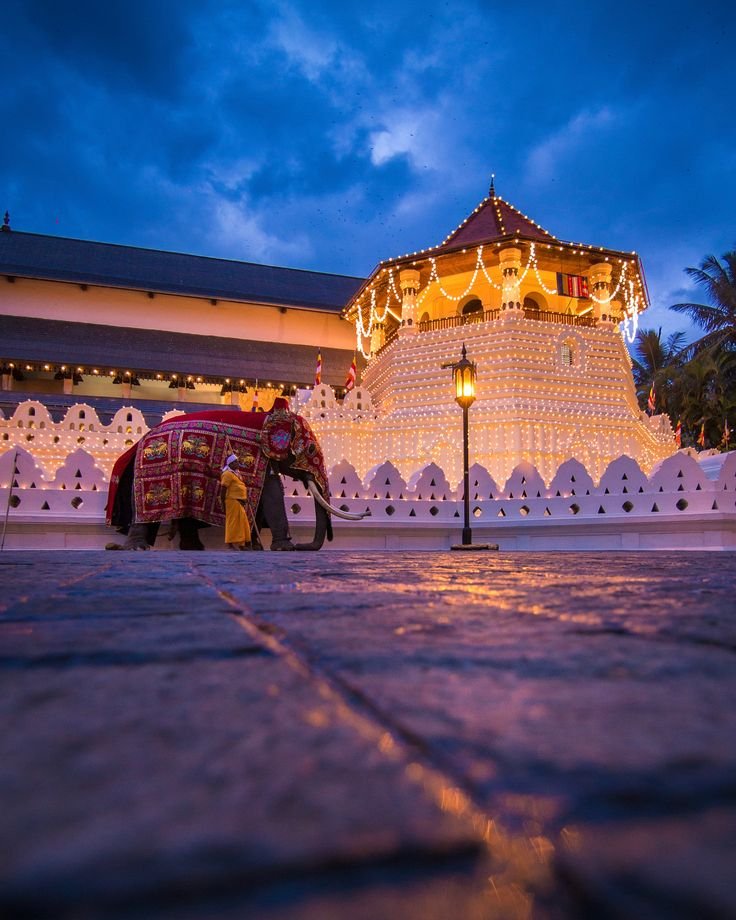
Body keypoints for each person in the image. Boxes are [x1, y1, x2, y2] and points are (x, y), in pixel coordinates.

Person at [219, 454, 251, 550]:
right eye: (236, 462)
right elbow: (223, 489)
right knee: (233, 523)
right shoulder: (227, 474)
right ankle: (230, 544)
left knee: (242, 523)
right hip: (232, 501)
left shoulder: (236, 474)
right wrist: (223, 503)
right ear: (231, 464)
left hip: (239, 502)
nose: (238, 463)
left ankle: (243, 543)